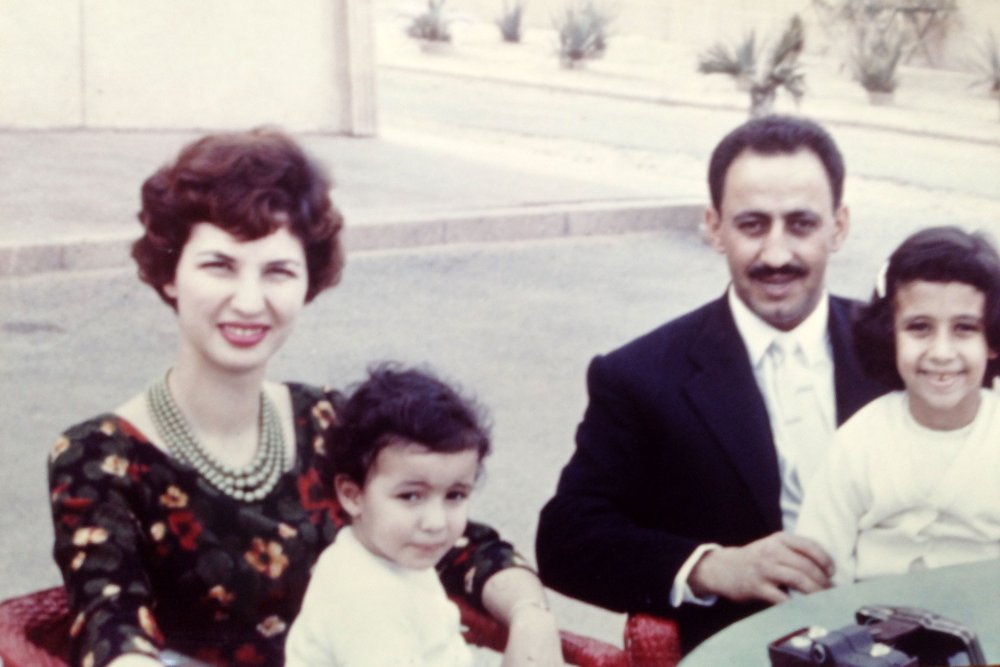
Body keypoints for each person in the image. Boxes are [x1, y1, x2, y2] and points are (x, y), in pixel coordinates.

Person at [47, 128, 562, 667]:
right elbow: (112, 632)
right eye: (219, 266)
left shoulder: (326, 420)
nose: (249, 301)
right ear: (170, 274)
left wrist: (531, 617)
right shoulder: (97, 457)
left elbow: (459, 542)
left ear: (307, 283)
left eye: (278, 271)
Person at [535, 115, 888, 652]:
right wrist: (713, 567)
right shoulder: (639, 375)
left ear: (838, 226)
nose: (775, 255)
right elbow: (567, 540)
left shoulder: (901, 355)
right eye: (751, 225)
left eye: (800, 224)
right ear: (714, 226)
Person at [796, 226, 1000, 585]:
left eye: (965, 328)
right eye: (919, 327)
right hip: (872, 631)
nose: (941, 353)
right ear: (890, 335)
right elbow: (820, 564)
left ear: (993, 341)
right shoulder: (859, 442)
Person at [285, 364, 498, 666]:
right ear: (352, 495)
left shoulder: (387, 558)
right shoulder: (365, 600)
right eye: (410, 496)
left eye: (455, 495)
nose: (436, 523)